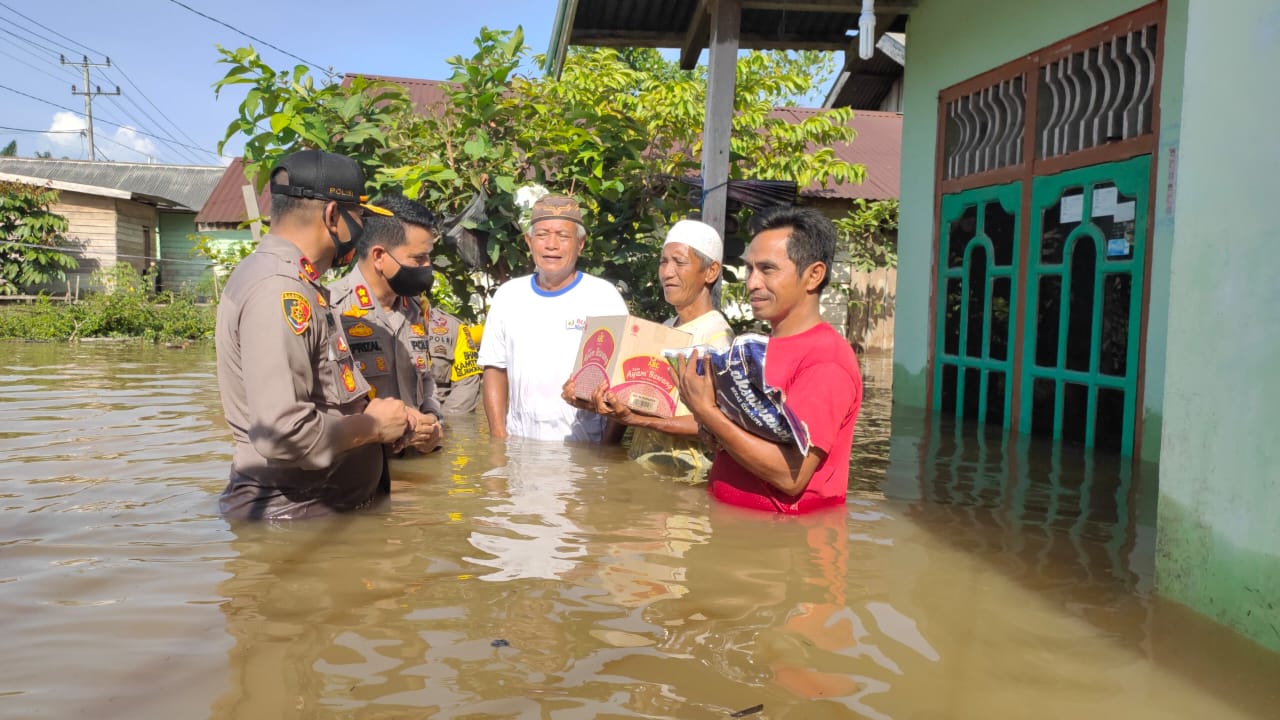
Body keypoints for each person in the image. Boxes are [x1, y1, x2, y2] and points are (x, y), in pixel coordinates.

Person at [214, 149, 411, 520]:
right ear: (333, 216)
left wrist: (387, 418)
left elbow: (324, 397)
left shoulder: (298, 283)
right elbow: (282, 433)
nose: (361, 234)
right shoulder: (279, 290)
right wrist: (372, 427)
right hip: (293, 521)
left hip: (316, 516)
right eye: (359, 219)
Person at [673, 206, 863, 514]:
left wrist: (706, 411)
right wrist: (713, 432)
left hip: (785, 552)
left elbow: (790, 476)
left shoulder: (826, 360)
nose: (751, 283)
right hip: (734, 537)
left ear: (813, 275)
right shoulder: (759, 350)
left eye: (767, 270)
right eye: (750, 270)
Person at [563, 219, 733, 481]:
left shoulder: (716, 337)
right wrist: (591, 400)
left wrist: (637, 420)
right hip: (645, 474)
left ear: (711, 272)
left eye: (679, 262)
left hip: (686, 484)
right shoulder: (667, 328)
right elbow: (641, 404)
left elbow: (716, 423)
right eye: (663, 262)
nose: (667, 272)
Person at [477, 194, 628, 441]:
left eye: (563, 236)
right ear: (529, 241)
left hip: (584, 451)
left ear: (580, 243)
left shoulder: (604, 298)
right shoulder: (508, 296)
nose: (551, 245)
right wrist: (498, 439)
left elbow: (621, 381)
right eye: (542, 234)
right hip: (521, 447)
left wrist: (608, 451)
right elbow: (494, 368)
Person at [329, 195, 444, 455]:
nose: (428, 267)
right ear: (379, 256)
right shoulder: (333, 310)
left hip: (417, 463)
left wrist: (432, 420)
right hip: (363, 465)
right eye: (419, 258)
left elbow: (426, 381)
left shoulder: (416, 310)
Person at [420, 300, 483, 415]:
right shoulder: (377, 324)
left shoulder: (454, 328)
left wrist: (440, 424)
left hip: (439, 417)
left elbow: (466, 386)